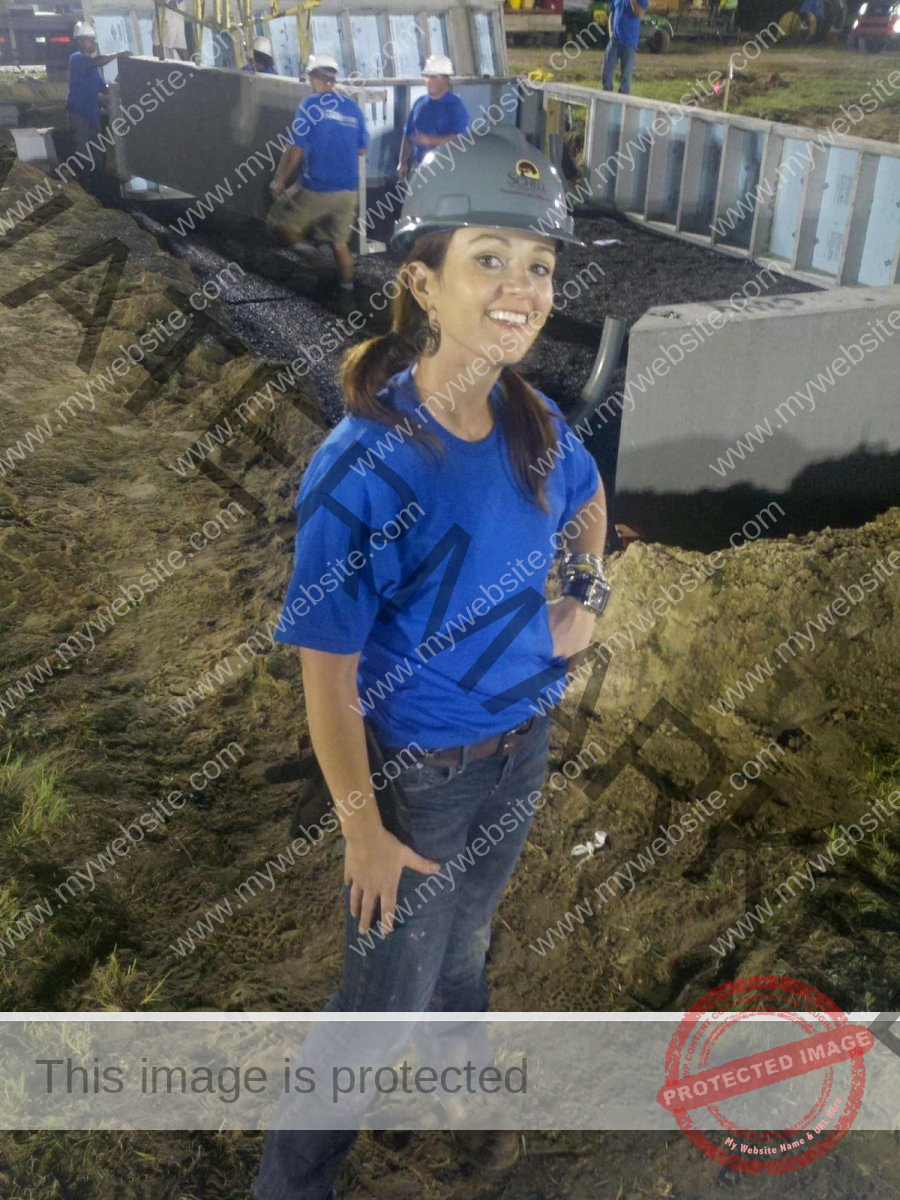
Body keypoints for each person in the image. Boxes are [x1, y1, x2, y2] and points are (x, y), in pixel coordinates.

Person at [251, 126, 610, 1200]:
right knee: (379, 1007)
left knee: (467, 947)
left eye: (539, 265)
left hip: (519, 747)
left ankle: (458, 1090)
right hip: (421, 782)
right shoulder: (367, 462)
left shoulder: (529, 411)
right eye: (489, 259)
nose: (522, 287)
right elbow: (325, 673)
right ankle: (292, 1185)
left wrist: (583, 598)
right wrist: (363, 829)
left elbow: (591, 505)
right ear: (422, 279)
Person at [269, 53, 368, 312]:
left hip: (317, 187)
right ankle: (348, 295)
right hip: (348, 190)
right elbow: (361, 150)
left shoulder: (310, 105)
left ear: (314, 77)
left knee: (281, 223)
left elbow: (297, 148)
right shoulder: (353, 108)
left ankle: (315, 264)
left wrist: (280, 180)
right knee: (339, 243)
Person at [65, 21, 131, 191]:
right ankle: (84, 189)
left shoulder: (93, 70)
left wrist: (120, 81)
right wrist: (118, 54)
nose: (93, 43)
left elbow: (104, 90)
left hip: (92, 117)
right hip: (79, 116)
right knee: (84, 156)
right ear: (79, 42)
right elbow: (99, 61)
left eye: (93, 40)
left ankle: (99, 191)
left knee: (96, 159)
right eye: (89, 40)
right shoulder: (77, 59)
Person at [397, 54, 471, 181]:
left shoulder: (455, 106)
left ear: (445, 79)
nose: (427, 81)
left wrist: (431, 141)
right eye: (427, 76)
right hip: (419, 169)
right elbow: (408, 135)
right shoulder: (419, 103)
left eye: (432, 77)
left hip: (445, 173)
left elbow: (460, 140)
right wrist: (402, 162)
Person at [602, 0, 649, 95]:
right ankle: (606, 95)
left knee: (626, 75)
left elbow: (639, 13)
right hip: (615, 41)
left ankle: (624, 99)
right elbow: (612, 14)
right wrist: (610, 32)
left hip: (629, 43)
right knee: (607, 70)